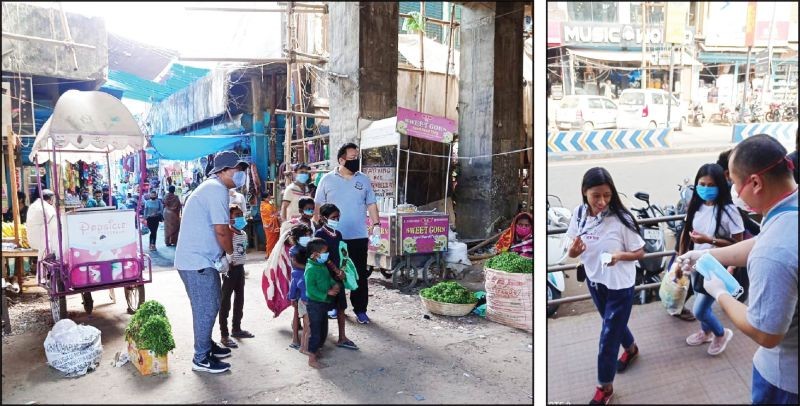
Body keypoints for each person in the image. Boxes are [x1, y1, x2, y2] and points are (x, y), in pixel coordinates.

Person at [678, 134, 798, 404]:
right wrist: (705, 255)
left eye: (734, 182)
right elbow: (759, 241)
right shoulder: (788, 210)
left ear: (755, 182)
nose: (732, 190)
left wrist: (721, 294)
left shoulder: (775, 253)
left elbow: (766, 333)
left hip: (785, 381)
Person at [565, 167, 645, 405]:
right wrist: (571, 252)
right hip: (595, 281)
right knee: (613, 326)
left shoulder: (622, 219)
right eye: (596, 196)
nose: (602, 202)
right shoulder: (579, 214)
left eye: (607, 196)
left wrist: (620, 256)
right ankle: (631, 349)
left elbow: (640, 252)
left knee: (607, 338)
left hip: (620, 286)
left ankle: (605, 388)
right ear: (584, 193)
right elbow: (570, 243)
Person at [175, 150, 249, 374]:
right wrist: (228, 255)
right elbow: (222, 230)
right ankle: (201, 358)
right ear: (224, 171)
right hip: (196, 261)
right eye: (238, 171)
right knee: (205, 308)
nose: (241, 176)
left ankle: (207, 345)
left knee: (213, 302)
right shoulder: (216, 190)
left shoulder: (214, 188)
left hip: (202, 259)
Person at [677, 163, 742, 354]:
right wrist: (681, 258)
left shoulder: (730, 211)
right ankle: (706, 332)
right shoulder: (695, 207)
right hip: (697, 265)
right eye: (702, 184)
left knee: (699, 310)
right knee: (699, 300)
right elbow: (685, 234)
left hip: (716, 269)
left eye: (710, 185)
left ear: (720, 186)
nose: (705, 189)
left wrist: (709, 240)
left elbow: (737, 246)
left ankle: (721, 334)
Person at [314, 143, 380, 325]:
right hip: (333, 237)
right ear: (341, 160)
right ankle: (336, 307)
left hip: (358, 236)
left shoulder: (364, 180)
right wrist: (318, 231)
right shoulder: (327, 179)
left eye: (357, 157)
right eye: (352, 158)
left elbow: (372, 204)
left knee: (359, 274)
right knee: (335, 273)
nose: (356, 161)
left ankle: (360, 310)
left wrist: (376, 225)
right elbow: (318, 206)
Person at [315, 203, 358, 350]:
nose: (336, 219)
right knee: (322, 308)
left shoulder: (338, 234)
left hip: (338, 275)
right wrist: (335, 269)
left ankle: (342, 337)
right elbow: (321, 256)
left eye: (338, 217)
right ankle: (318, 339)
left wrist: (343, 269)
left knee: (341, 307)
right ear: (323, 218)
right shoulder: (319, 234)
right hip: (325, 275)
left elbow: (342, 253)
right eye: (333, 217)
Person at [219, 205, 255, 348]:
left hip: (240, 269)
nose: (240, 217)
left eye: (241, 214)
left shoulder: (243, 233)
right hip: (230, 270)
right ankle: (224, 334)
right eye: (236, 214)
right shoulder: (228, 233)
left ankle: (236, 328)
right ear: (229, 217)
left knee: (239, 300)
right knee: (225, 302)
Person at [304, 237, 340, 369]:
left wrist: (334, 284)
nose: (327, 255)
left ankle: (316, 349)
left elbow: (328, 278)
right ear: (315, 254)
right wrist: (327, 293)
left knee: (323, 328)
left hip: (323, 303)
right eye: (324, 252)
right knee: (316, 331)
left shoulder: (321, 265)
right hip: (315, 304)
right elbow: (311, 290)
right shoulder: (311, 269)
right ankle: (312, 358)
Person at [288, 223, 312, 353]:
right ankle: (295, 339)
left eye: (309, 235)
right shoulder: (294, 250)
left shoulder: (309, 248)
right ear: (297, 238)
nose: (308, 238)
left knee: (303, 315)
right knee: (298, 314)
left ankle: (302, 341)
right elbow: (295, 263)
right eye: (305, 236)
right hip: (298, 286)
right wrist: (310, 267)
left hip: (307, 285)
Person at [26, 189, 57, 260]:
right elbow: (55, 222)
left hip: (31, 240)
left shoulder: (32, 205)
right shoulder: (46, 207)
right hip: (42, 243)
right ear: (50, 199)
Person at [260, 191, 281, 260]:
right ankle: (270, 254)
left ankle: (271, 253)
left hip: (270, 225)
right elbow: (269, 216)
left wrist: (276, 214)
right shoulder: (265, 206)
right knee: (270, 240)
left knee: (272, 240)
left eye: (269, 196)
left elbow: (274, 212)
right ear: (264, 198)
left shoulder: (268, 204)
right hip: (270, 226)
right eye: (268, 197)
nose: (269, 198)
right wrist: (276, 215)